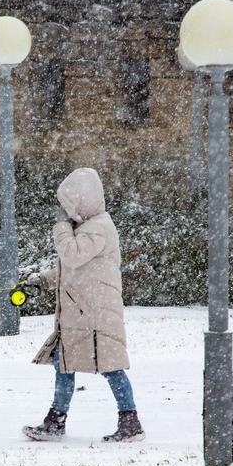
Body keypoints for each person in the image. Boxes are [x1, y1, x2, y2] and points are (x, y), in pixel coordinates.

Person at [23, 167, 144, 443]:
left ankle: (130, 421)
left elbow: (72, 255)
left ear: (83, 200)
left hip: (96, 314)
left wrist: (61, 228)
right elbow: (72, 269)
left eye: (69, 205)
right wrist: (41, 281)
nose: (65, 212)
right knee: (63, 364)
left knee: (111, 366)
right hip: (81, 313)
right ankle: (56, 421)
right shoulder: (89, 229)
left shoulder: (99, 228)